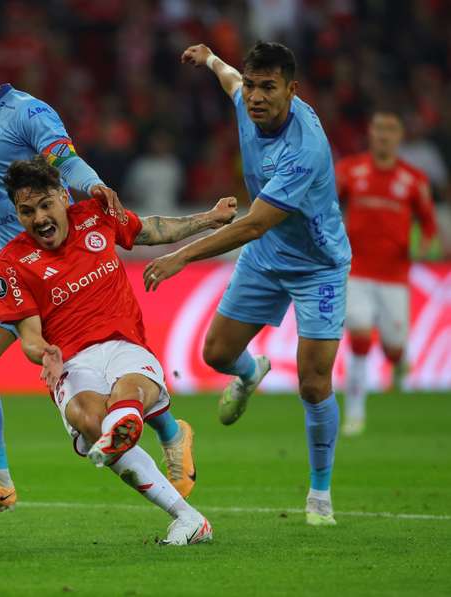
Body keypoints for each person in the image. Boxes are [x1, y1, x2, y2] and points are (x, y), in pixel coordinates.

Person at [0, 25, 204, 510]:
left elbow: (65, 158)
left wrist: (94, 185)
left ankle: (169, 430)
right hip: (11, 262)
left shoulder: (28, 113)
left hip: (54, 255)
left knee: (98, 356)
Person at [146, 42, 352, 526]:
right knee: (214, 353)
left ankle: (319, 495)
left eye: (269, 87)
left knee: (313, 381)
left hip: (317, 265)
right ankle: (248, 371)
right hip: (267, 257)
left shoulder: (305, 148)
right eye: (255, 85)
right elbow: (232, 81)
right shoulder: (247, 98)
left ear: (292, 90)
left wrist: (181, 255)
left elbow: (251, 224)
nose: (256, 96)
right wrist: (212, 58)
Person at [0, 156, 237, 544]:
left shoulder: (96, 215)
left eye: (45, 205)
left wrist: (209, 218)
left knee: (130, 392)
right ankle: (188, 517)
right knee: (90, 421)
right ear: (17, 213)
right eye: (26, 211)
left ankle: (127, 431)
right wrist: (46, 354)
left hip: (125, 344)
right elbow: (29, 336)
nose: (39, 218)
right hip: (72, 360)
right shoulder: (13, 262)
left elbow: (154, 230)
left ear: (62, 196)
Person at [335, 110, 439, 436]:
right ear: (370, 133)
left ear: (399, 137)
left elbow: (430, 224)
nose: (383, 136)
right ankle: (354, 414)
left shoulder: (413, 179)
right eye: (378, 129)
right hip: (358, 272)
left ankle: (399, 360)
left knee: (393, 347)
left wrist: (424, 248)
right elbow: (325, 206)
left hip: (395, 278)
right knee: (360, 337)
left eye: (390, 130)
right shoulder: (351, 170)